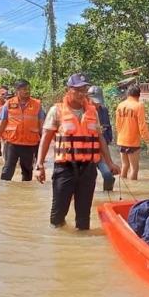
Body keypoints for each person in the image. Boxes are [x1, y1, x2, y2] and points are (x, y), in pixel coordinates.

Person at [34, 73, 120, 230]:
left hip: (88, 168)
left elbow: (100, 139)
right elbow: (45, 139)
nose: (82, 94)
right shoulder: (56, 111)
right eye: (78, 90)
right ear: (69, 89)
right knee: (58, 215)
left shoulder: (93, 112)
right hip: (64, 168)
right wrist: (39, 165)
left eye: (84, 90)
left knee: (83, 217)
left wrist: (110, 163)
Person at [0, 79, 45, 181]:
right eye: (24, 89)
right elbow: (2, 122)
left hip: (29, 144)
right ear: (17, 90)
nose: (27, 91)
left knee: (27, 171)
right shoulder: (9, 104)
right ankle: (3, 194)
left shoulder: (37, 104)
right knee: (7, 170)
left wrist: (43, 142)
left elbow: (42, 125)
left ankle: (26, 195)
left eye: (28, 89)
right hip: (12, 143)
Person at [115, 85, 149, 180]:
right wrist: (148, 141)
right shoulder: (139, 105)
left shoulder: (120, 105)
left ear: (128, 94)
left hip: (121, 140)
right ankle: (133, 189)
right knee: (134, 168)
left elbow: (117, 125)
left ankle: (123, 187)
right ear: (138, 95)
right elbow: (142, 126)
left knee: (125, 165)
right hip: (132, 141)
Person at [87, 85, 116, 191]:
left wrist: (106, 149)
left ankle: (107, 199)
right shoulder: (83, 111)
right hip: (85, 152)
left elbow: (108, 129)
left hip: (100, 151)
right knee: (87, 181)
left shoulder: (103, 110)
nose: (96, 104)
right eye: (94, 101)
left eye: (98, 101)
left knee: (108, 176)